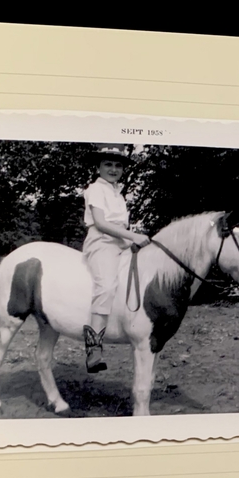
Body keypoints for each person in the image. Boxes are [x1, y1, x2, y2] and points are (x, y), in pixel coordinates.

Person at [81, 144, 150, 373]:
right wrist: (133, 236)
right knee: (107, 285)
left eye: (118, 165)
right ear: (98, 167)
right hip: (102, 242)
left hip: (120, 242)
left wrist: (132, 241)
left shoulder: (117, 193)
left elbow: (121, 225)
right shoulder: (95, 189)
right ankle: (94, 347)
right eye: (108, 164)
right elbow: (101, 223)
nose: (113, 169)